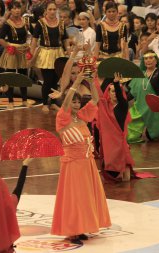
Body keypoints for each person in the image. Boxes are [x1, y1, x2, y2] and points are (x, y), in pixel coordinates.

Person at [51, 69, 111, 245]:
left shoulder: (82, 117)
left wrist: (91, 81)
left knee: (86, 198)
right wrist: (77, 81)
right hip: (73, 165)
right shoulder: (63, 118)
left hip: (88, 164)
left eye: (78, 102)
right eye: (74, 102)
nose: (76, 105)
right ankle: (72, 230)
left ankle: (82, 227)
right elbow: (66, 101)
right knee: (74, 198)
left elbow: (95, 99)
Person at [127, 49, 159, 143]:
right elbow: (132, 93)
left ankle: (152, 130)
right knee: (130, 136)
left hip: (154, 107)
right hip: (139, 106)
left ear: (156, 60)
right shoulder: (139, 75)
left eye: (151, 58)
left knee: (154, 137)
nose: (148, 60)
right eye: (146, 58)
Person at [29, 1, 69, 112]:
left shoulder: (61, 23)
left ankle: (54, 103)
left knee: (55, 80)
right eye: (50, 9)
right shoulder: (40, 23)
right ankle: (45, 103)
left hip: (58, 53)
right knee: (47, 80)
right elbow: (34, 39)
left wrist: (69, 51)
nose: (52, 11)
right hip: (45, 53)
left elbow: (65, 39)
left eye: (54, 9)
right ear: (45, 11)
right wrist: (30, 54)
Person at [96, 72, 134, 182]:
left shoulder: (122, 105)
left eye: (117, 92)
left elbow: (121, 97)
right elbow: (98, 94)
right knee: (110, 177)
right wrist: (93, 79)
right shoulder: (105, 106)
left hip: (119, 143)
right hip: (108, 145)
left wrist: (117, 84)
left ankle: (127, 195)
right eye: (112, 91)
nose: (115, 94)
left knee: (125, 178)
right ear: (108, 92)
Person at [0, 1, 33, 107]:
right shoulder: (7, 24)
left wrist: (30, 46)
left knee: (23, 75)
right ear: (10, 10)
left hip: (23, 50)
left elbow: (34, 33)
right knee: (11, 76)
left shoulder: (25, 21)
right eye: (14, 8)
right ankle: (10, 101)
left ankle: (24, 100)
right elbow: (0, 39)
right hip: (12, 51)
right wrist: (9, 47)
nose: (17, 10)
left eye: (18, 8)